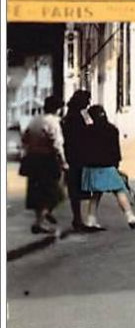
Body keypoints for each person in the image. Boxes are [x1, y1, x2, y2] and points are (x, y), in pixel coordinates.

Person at [78, 105, 135, 230]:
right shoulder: (112, 129)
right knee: (119, 190)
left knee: (96, 194)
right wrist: (116, 164)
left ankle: (91, 220)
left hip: (91, 167)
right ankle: (130, 216)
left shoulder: (87, 131)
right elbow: (115, 150)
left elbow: (83, 149)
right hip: (107, 166)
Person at [20, 95, 66, 235]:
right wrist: (63, 162)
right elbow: (57, 145)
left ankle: (38, 221)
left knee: (36, 191)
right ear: (57, 109)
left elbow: (25, 138)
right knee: (54, 191)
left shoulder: (35, 120)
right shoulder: (53, 122)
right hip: (48, 159)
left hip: (33, 159)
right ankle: (45, 213)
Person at [60, 89, 95, 233]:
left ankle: (78, 218)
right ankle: (78, 219)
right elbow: (80, 138)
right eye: (87, 100)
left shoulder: (72, 116)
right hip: (76, 158)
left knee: (76, 190)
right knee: (77, 189)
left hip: (74, 157)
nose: (88, 103)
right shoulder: (75, 118)